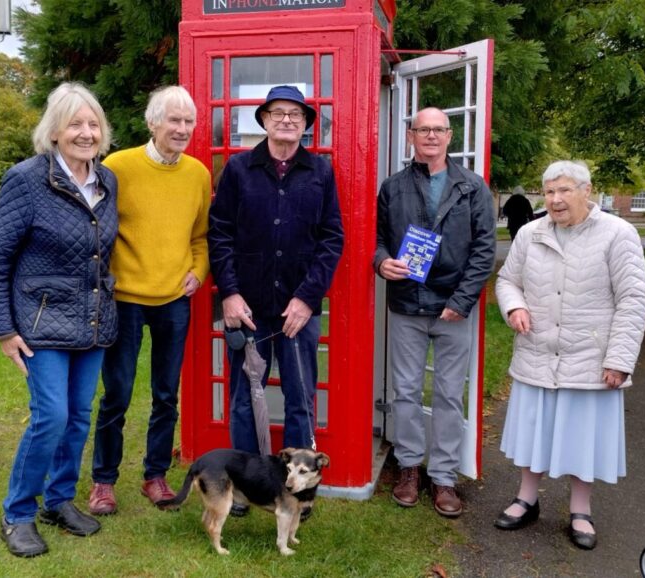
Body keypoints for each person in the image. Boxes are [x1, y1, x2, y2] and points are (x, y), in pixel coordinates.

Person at [0, 82, 117, 557]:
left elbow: (101, 252)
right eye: (75, 123)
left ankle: (58, 500)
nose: (86, 132)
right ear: (54, 131)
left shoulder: (106, 180)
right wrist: (2, 329)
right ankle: (17, 512)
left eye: (93, 123)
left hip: (93, 321)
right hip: (40, 323)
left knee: (79, 416)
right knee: (51, 416)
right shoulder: (27, 179)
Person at [493, 161, 645, 550]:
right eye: (548, 192)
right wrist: (514, 307)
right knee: (534, 431)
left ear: (587, 190)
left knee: (583, 437)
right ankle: (526, 499)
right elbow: (507, 280)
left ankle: (580, 510)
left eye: (564, 190)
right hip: (538, 351)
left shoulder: (619, 233)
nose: (555, 199)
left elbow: (633, 299)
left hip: (591, 357)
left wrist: (620, 358)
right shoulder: (530, 233)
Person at [208, 85, 344, 516]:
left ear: (306, 125)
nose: (287, 121)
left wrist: (307, 298)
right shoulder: (239, 169)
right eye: (278, 113)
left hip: (297, 310)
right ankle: (246, 488)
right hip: (246, 307)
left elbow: (332, 239)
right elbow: (220, 234)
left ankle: (299, 492)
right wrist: (229, 293)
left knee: (300, 397)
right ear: (263, 121)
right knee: (245, 397)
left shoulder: (320, 171)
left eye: (295, 115)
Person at [88, 86, 211, 515]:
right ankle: (103, 481)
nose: (182, 129)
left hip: (174, 297)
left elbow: (200, 236)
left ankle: (154, 475)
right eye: (173, 120)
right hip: (124, 297)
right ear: (152, 123)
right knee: (117, 392)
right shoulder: (118, 166)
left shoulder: (197, 173)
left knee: (166, 393)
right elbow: (94, 228)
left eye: (188, 122)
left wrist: (199, 269)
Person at [374, 107, 496, 517]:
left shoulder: (472, 187)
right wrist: (381, 262)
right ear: (411, 136)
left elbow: (484, 250)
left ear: (450, 136)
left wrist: (461, 302)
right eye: (422, 129)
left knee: (448, 394)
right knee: (405, 391)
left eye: (438, 130)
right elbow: (377, 240)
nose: (430, 136)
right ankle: (410, 468)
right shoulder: (393, 187)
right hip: (407, 303)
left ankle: (443, 476)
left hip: (452, 307)